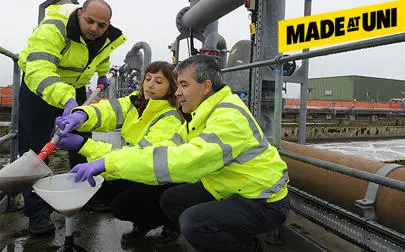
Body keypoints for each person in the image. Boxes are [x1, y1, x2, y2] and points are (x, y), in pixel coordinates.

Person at [66, 55, 290, 251]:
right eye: (177, 85)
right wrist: (85, 122)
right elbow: (163, 150)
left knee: (194, 223)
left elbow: (186, 161)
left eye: (183, 84)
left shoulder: (228, 117)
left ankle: (248, 248)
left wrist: (105, 161)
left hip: (262, 199)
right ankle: (220, 234)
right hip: (226, 185)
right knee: (172, 201)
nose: (179, 92)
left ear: (206, 87)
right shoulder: (201, 114)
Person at [17, 0, 126, 235]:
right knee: (36, 149)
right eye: (89, 21)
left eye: (101, 24)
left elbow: (101, 54)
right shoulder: (53, 28)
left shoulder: (105, 35)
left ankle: (84, 195)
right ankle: (37, 213)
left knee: (82, 142)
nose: (95, 28)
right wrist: (67, 99)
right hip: (40, 89)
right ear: (79, 14)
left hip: (74, 89)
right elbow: (40, 70)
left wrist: (102, 74)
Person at [56, 61, 183, 246]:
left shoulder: (169, 118)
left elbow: (139, 156)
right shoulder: (137, 102)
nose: (150, 85)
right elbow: (106, 111)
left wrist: (84, 145)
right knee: (101, 190)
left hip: (159, 177)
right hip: (137, 169)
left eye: (158, 81)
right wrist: (80, 116)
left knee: (122, 206)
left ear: (171, 88)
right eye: (148, 79)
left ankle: (171, 222)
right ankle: (144, 221)